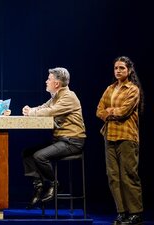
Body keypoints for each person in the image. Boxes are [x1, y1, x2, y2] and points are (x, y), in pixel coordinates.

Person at [21, 67, 86, 209]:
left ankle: (54, 185)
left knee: (39, 156)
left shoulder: (69, 96)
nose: (46, 81)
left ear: (57, 83)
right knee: (28, 154)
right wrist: (30, 110)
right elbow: (43, 107)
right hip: (60, 140)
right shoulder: (56, 96)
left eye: (49, 79)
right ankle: (38, 187)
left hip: (73, 141)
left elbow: (51, 111)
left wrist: (33, 112)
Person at [96, 56, 144, 225]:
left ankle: (135, 213)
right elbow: (99, 110)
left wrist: (110, 111)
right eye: (116, 68)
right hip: (109, 135)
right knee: (113, 176)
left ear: (129, 70)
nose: (118, 71)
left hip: (126, 136)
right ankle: (122, 212)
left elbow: (124, 111)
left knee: (128, 175)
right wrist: (108, 111)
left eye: (122, 68)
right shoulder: (110, 88)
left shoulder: (132, 89)